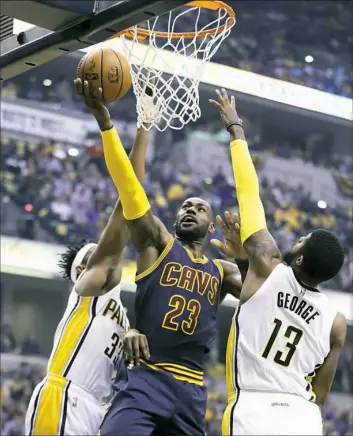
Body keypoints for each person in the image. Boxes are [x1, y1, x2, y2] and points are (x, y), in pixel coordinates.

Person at [77, 80, 247, 436]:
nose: (191, 210)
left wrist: (245, 258)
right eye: (186, 206)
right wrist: (106, 124)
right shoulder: (158, 243)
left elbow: (260, 294)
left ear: (212, 225)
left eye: (200, 208)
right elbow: (130, 190)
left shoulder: (222, 270)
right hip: (146, 378)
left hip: (191, 390)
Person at [210, 88, 347, 436]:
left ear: (299, 256)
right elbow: (320, 395)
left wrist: (236, 129)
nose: (295, 239)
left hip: (253, 407)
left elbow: (249, 193)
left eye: (301, 240)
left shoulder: (267, 263)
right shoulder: (336, 323)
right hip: (302, 417)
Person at [24, 86, 152, 435]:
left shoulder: (120, 312)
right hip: (66, 395)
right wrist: (141, 128)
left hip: (96, 408)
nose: (103, 255)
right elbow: (130, 198)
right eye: (92, 256)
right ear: (82, 270)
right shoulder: (90, 287)